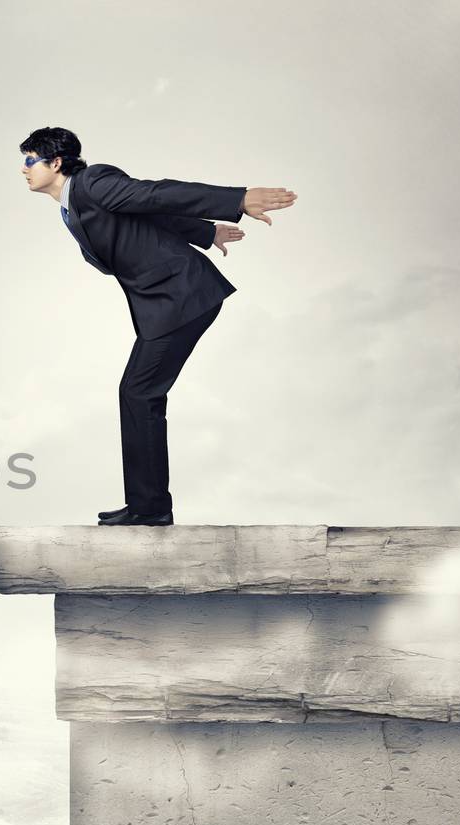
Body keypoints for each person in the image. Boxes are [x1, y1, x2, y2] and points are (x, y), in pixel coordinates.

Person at [19, 126, 296, 526]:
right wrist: (205, 231)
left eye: (30, 160)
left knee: (138, 392)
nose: (24, 170)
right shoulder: (72, 206)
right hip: (166, 302)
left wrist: (235, 200)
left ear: (55, 162)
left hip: (181, 295)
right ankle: (146, 506)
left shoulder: (92, 182)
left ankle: (150, 509)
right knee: (138, 393)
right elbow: (147, 213)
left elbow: (155, 194)